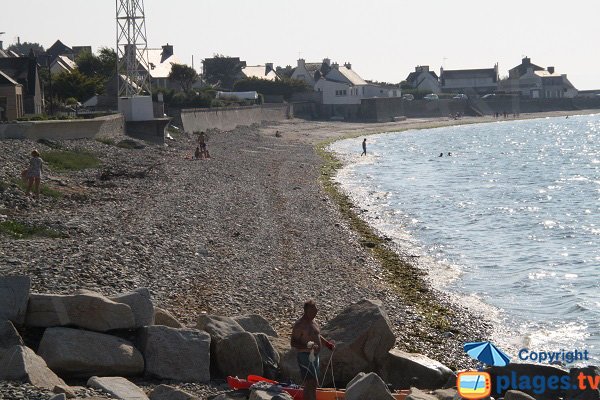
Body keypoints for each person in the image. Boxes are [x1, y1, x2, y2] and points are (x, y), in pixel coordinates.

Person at [291, 300, 335, 400]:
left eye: (316, 311)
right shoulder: (300, 325)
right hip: (305, 356)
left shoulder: (314, 322)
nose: (316, 313)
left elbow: (318, 335)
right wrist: (307, 346)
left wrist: (327, 344)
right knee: (309, 381)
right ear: (307, 311)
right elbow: (293, 342)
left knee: (314, 382)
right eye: (314, 311)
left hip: (315, 356)